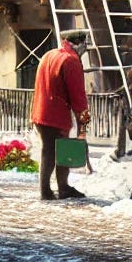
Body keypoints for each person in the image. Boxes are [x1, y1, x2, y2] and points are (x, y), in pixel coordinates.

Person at [31, 30, 90, 200]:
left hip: (40, 111)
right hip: (56, 114)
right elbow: (78, 96)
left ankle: (57, 188)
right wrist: (83, 123)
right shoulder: (71, 60)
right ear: (79, 43)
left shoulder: (50, 54)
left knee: (51, 150)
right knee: (56, 151)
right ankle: (50, 191)